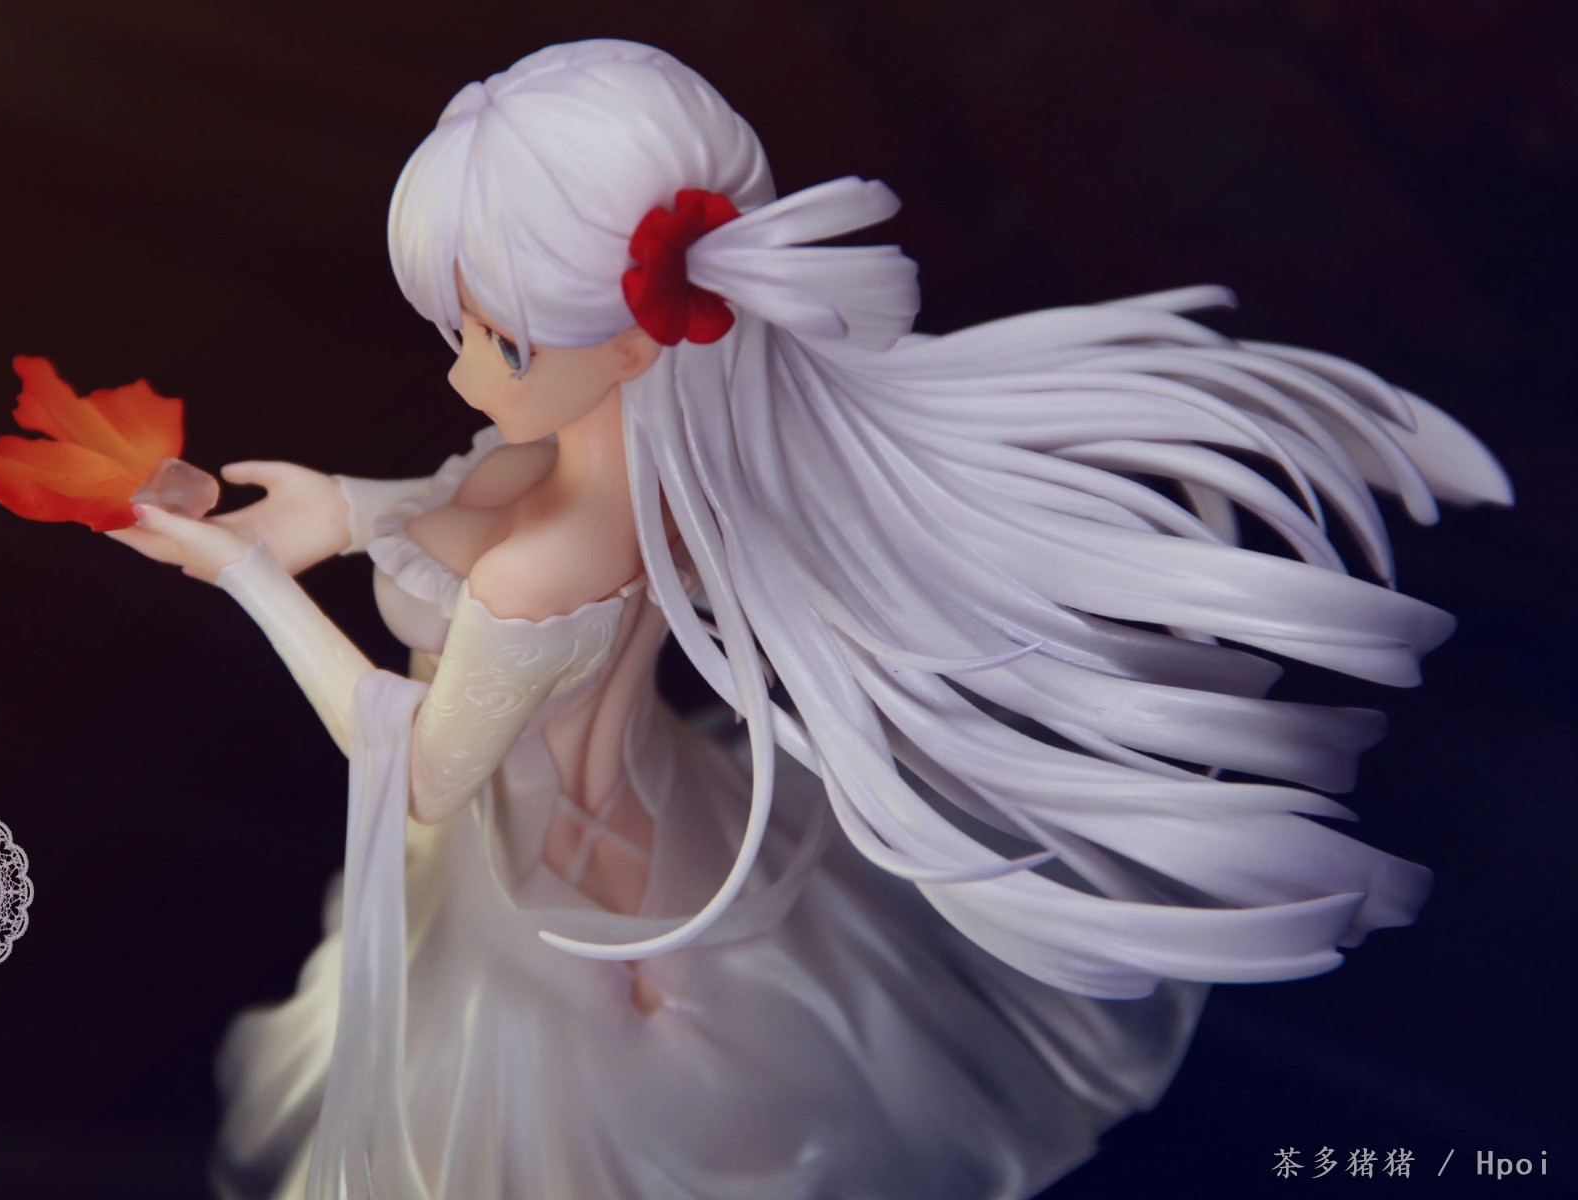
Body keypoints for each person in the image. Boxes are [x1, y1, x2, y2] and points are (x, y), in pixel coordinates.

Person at [108, 38, 1511, 1200]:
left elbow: (414, 768)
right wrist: (342, 512)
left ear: (639, 332)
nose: (470, 373)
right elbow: (478, 498)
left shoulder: (552, 563)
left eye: (505, 340)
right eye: (461, 332)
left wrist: (252, 584)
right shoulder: (641, 460)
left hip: (567, 906)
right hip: (621, 845)